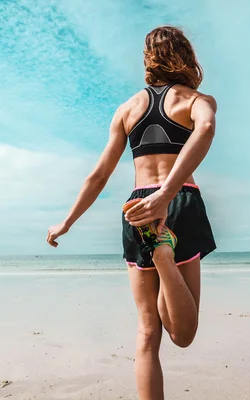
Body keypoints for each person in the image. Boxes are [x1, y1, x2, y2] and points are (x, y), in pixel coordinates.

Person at [47, 25, 217, 400]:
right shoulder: (197, 100)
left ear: (148, 60)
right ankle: (165, 256)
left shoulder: (127, 108)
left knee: (146, 333)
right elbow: (205, 129)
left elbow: (100, 174)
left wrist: (66, 223)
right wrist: (168, 194)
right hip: (181, 201)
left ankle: (159, 252)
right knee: (183, 336)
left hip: (138, 207)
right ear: (186, 56)